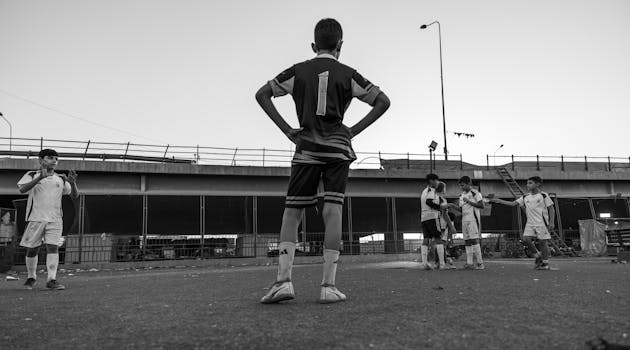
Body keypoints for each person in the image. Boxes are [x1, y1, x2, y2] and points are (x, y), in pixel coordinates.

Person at [255, 18, 390, 304]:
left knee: (292, 213)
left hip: (306, 147)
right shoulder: (349, 74)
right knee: (333, 211)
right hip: (339, 149)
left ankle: (283, 282)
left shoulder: (298, 71)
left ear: (314, 45)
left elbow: (262, 94)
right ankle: (328, 286)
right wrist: (352, 130)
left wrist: (287, 130)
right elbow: (383, 101)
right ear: (340, 45)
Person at [17, 149, 79, 290]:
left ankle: (51, 280)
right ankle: (31, 277)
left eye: (56, 158)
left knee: (53, 247)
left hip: (56, 219)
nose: (54, 161)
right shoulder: (31, 174)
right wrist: (39, 178)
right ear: (41, 160)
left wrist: (73, 183)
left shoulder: (61, 178)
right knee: (32, 249)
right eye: (50, 157)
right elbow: (22, 190)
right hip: (36, 218)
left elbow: (74, 195)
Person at [489, 176, 555, 270]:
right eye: (527, 183)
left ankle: (545, 263)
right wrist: (499, 201)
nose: (527, 185)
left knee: (542, 242)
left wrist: (551, 222)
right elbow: (513, 204)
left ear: (538, 184)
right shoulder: (525, 196)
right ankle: (537, 256)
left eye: (530, 183)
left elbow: (551, 208)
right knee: (525, 239)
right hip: (530, 223)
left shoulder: (544, 195)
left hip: (542, 223)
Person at [451, 176, 485, 270]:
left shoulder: (475, 193)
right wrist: (452, 206)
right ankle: (469, 263)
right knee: (467, 241)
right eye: (460, 186)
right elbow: (461, 209)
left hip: (473, 219)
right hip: (464, 219)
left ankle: (480, 263)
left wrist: (469, 202)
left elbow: (482, 206)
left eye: (462, 185)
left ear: (469, 184)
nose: (461, 187)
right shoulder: (461, 195)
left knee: (474, 240)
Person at [420, 174, 449, 270]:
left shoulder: (424, 191)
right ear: (431, 181)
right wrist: (439, 208)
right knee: (438, 238)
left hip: (424, 218)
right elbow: (429, 202)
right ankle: (442, 264)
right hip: (432, 217)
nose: (437, 182)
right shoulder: (431, 190)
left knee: (426, 239)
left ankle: (424, 264)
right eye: (436, 180)